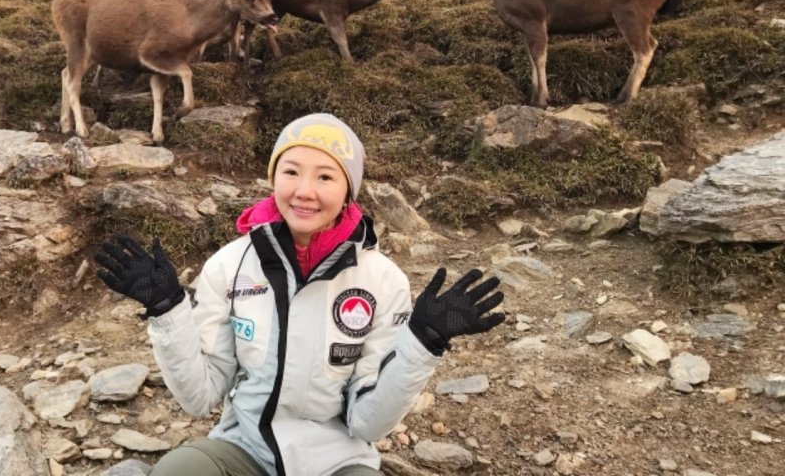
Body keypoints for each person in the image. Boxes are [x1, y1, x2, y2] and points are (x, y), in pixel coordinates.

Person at [95, 113, 505, 476]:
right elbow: (200, 397)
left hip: (340, 461)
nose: (304, 191)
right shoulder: (229, 265)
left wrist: (423, 343)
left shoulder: (383, 281)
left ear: (349, 190)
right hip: (245, 450)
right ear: (273, 178)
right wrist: (167, 310)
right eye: (291, 171)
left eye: (325, 176)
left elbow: (367, 424)